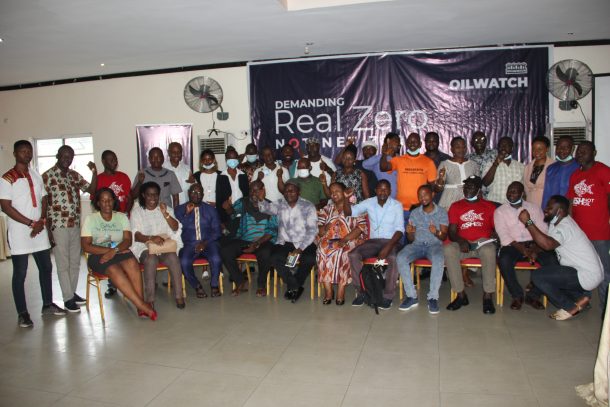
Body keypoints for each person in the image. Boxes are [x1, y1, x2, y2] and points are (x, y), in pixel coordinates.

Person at [0, 140, 66, 328]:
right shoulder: (7, 178)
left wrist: (42, 220)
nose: (27, 154)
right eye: (23, 151)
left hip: (39, 230)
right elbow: (5, 207)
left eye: (29, 151)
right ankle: (22, 313)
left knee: (46, 267)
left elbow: (44, 198)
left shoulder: (35, 174)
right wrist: (30, 223)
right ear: (15, 154)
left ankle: (47, 305)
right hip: (20, 232)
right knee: (20, 273)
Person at [518, 195, 604, 320]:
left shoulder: (565, 227)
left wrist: (528, 222)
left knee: (538, 276)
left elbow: (548, 245)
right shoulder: (557, 222)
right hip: (584, 271)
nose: (545, 209)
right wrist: (534, 251)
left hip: (586, 274)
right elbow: (550, 242)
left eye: (550, 208)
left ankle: (569, 307)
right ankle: (580, 298)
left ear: (560, 211)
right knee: (552, 270)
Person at [81, 188, 157, 320]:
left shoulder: (121, 217)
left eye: (110, 200)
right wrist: (109, 251)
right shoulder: (91, 219)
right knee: (114, 269)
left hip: (119, 251)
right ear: (98, 203)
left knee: (132, 262)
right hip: (98, 255)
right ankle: (142, 305)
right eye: (103, 200)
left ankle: (141, 306)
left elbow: (128, 240)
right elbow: (86, 246)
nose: (107, 203)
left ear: (114, 201)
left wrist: (114, 251)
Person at [43, 145, 97, 313]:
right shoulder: (47, 176)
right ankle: (67, 299)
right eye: (64, 156)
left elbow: (92, 189)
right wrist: (47, 230)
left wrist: (94, 172)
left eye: (70, 156)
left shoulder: (74, 175)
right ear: (57, 156)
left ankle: (71, 293)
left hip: (74, 224)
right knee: (63, 263)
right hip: (58, 226)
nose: (67, 159)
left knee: (75, 262)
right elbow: (43, 204)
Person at [494, 182, 557, 310]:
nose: (510, 194)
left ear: (522, 193)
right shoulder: (500, 211)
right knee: (504, 260)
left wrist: (535, 249)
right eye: (509, 191)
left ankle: (533, 295)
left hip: (535, 244)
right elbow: (503, 235)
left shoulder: (534, 208)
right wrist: (523, 249)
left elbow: (544, 230)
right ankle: (517, 295)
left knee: (552, 261)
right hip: (513, 245)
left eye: (514, 191)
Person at [567, 141, 610, 314]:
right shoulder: (575, 175)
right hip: (580, 234)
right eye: (578, 151)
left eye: (584, 151)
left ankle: (605, 308)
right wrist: (570, 225)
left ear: (594, 153)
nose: (580, 154)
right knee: (581, 269)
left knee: (604, 271)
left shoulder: (603, 171)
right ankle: (584, 301)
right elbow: (571, 201)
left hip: (599, 232)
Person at [257, 181, 317, 303]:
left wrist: (300, 249)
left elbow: (312, 231)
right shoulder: (280, 203)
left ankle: (295, 284)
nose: (288, 193)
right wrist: (261, 199)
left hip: (304, 242)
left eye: (292, 190)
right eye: (286, 191)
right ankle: (294, 285)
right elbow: (265, 209)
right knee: (275, 258)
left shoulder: (308, 206)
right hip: (285, 242)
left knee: (309, 259)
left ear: (299, 192)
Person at [347, 180, 404, 310]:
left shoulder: (396, 205)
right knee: (353, 255)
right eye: (380, 189)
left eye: (386, 189)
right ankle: (362, 292)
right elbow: (350, 212)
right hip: (373, 242)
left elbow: (400, 230)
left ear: (390, 191)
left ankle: (388, 296)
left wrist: (388, 247)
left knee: (393, 258)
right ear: (375, 190)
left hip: (392, 241)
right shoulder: (369, 202)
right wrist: (346, 199)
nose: (383, 192)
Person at [444, 175, 497, 314]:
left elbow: (496, 229)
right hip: (463, 244)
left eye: (471, 186)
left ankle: (487, 296)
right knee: (448, 249)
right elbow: (452, 232)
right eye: (466, 186)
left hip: (482, 243)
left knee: (489, 250)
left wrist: (495, 235)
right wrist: (461, 241)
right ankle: (461, 295)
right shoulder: (456, 206)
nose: (467, 189)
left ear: (479, 190)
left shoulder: (489, 207)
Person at [130, 182, 185, 309]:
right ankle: (150, 300)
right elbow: (136, 235)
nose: (153, 198)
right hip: (145, 246)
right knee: (151, 259)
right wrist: (151, 238)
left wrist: (165, 213)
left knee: (173, 258)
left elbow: (175, 227)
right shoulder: (137, 212)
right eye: (149, 195)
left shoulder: (166, 209)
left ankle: (179, 296)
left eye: (155, 194)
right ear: (143, 195)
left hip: (164, 246)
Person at [396, 185, 448, 314]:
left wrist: (436, 232)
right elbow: (411, 239)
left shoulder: (441, 212)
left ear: (432, 195)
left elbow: (444, 236)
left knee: (438, 258)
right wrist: (410, 232)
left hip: (434, 245)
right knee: (401, 257)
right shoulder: (415, 213)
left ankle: (433, 297)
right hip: (417, 245)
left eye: (425, 194)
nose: (422, 198)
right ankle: (411, 296)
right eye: (420, 196)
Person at [219, 180, 277, 297]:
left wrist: (256, 243)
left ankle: (261, 285)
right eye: (251, 190)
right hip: (245, 240)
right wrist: (228, 208)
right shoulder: (243, 202)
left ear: (263, 191)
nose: (253, 193)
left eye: (257, 190)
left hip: (264, 241)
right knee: (225, 251)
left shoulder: (272, 207)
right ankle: (240, 281)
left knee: (265, 253)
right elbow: (233, 213)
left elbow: (272, 231)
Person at [317, 182, 367, 305]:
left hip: (349, 239)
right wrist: (326, 227)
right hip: (329, 240)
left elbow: (360, 227)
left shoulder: (355, 208)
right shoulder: (326, 209)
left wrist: (345, 239)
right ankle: (328, 291)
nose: (334, 194)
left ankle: (341, 290)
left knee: (341, 252)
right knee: (322, 250)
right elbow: (320, 230)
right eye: (331, 192)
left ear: (344, 192)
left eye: (337, 191)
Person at [95, 150, 133, 298]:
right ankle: (113, 285)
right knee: (110, 251)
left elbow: (129, 197)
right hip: (107, 223)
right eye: (110, 160)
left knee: (124, 250)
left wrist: (126, 213)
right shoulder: (99, 179)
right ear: (103, 161)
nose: (114, 162)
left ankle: (127, 282)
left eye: (115, 159)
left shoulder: (123, 177)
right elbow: (96, 202)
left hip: (123, 219)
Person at [175, 183, 223, 298]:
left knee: (216, 258)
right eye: (193, 192)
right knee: (183, 262)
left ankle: (214, 285)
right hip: (189, 244)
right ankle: (197, 286)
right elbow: (176, 228)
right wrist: (187, 214)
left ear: (203, 194)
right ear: (188, 193)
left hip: (209, 242)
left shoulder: (211, 210)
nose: (195, 195)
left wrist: (204, 243)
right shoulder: (179, 210)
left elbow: (217, 232)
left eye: (198, 192)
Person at [380, 132, 437, 224]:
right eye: (410, 141)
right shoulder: (399, 160)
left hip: (419, 209)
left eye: (415, 141)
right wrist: (384, 154)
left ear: (420, 144)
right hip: (400, 209)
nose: (412, 143)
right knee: (400, 233)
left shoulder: (428, 162)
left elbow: (433, 187)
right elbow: (383, 167)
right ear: (406, 144)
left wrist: (424, 203)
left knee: (418, 233)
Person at [435, 136, 480, 211]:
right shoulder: (444, 164)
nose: (461, 149)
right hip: (449, 200)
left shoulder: (473, 164)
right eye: (458, 147)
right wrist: (440, 178)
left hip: (469, 198)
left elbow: (478, 186)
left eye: (463, 147)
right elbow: (437, 189)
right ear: (452, 149)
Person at [482, 136, 525, 204]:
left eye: (507, 145)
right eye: (501, 145)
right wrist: (495, 164)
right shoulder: (490, 164)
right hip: (495, 203)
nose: (504, 147)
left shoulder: (521, 166)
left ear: (512, 148)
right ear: (498, 148)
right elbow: (485, 183)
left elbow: (523, 189)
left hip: (514, 205)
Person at [541, 135, 578, 209]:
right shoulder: (551, 168)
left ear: (573, 148)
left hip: (573, 209)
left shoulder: (579, 167)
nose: (561, 150)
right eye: (559, 147)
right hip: (554, 210)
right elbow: (547, 193)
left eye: (566, 147)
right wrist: (544, 209)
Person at [217, 148, 249, 231]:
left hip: (243, 214)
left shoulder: (243, 175)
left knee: (243, 235)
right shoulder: (221, 177)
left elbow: (247, 195)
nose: (232, 161)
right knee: (230, 235)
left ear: (237, 159)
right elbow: (219, 199)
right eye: (230, 158)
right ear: (226, 160)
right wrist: (221, 220)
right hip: (228, 214)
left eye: (234, 158)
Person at [362, 132, 399, 199]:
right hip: (383, 199)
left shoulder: (401, 159)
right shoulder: (379, 159)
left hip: (399, 201)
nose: (398, 144)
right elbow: (365, 164)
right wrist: (384, 154)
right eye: (396, 141)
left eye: (399, 142)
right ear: (388, 141)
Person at [523, 136, 554, 208]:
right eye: (534, 149)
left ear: (547, 149)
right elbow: (526, 189)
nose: (536, 152)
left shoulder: (553, 166)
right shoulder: (528, 167)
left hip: (547, 205)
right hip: (530, 205)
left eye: (540, 149)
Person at [164, 141, 195, 206]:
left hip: (185, 206)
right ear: (169, 153)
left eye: (179, 152)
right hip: (168, 207)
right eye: (174, 152)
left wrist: (193, 183)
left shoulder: (187, 169)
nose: (176, 154)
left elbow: (192, 188)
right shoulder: (163, 168)